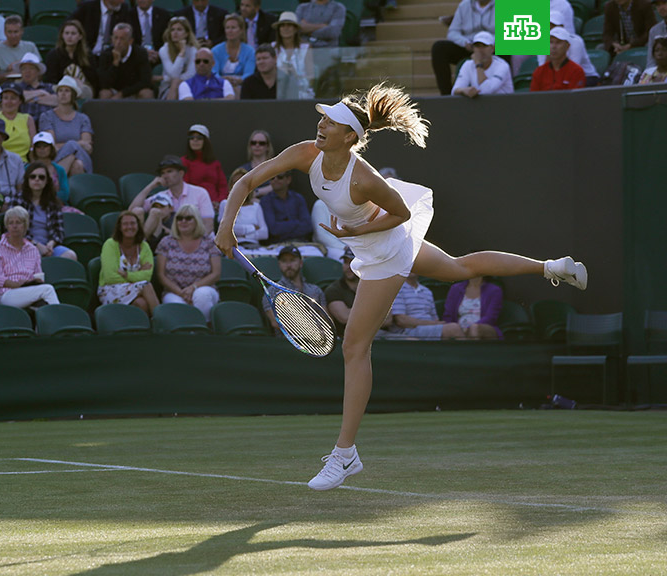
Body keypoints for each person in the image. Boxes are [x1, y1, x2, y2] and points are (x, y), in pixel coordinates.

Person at [215, 83, 587, 491]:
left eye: (330, 121)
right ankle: (550, 266)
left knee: (355, 346)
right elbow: (246, 182)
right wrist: (226, 226)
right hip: (376, 245)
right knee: (460, 268)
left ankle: (345, 455)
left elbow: (401, 212)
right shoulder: (307, 152)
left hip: (385, 252)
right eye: (321, 118)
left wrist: (356, 228)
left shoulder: (365, 178)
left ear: (350, 136)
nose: (320, 124)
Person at [155, 204, 221, 321]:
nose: (183, 221)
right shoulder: (166, 242)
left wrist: (193, 288)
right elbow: (161, 275)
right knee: (177, 306)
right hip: (174, 292)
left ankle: (204, 329)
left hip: (204, 289)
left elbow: (216, 274)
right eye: (179, 218)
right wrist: (181, 293)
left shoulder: (209, 242)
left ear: (197, 221)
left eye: (188, 218)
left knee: (201, 295)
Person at [130, 154, 214, 242]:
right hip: (173, 244)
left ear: (181, 173)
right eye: (162, 173)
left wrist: (193, 243)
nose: (165, 176)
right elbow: (132, 210)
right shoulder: (161, 196)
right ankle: (138, 246)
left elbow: (208, 225)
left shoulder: (200, 192)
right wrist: (151, 186)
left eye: (169, 171)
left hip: (201, 242)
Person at [0, 205, 60, 308]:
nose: (14, 226)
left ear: (25, 225)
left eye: (18, 222)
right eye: (11, 223)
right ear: (7, 226)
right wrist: (18, 284)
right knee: (48, 290)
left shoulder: (33, 250)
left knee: (43, 303)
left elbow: (38, 275)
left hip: (29, 291)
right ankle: (61, 320)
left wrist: (35, 281)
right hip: (6, 294)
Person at [98, 210, 159, 315]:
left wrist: (126, 274)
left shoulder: (144, 246)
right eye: (125, 224)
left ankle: (142, 330)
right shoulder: (110, 244)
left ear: (138, 226)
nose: (129, 227)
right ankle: (161, 322)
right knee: (146, 286)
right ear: (120, 227)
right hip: (110, 289)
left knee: (141, 303)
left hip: (135, 289)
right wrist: (137, 274)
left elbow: (147, 275)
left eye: (133, 223)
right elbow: (110, 277)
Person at [15, 160, 76, 261]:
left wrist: (51, 244)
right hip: (24, 245)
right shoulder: (18, 200)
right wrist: (36, 244)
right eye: (33, 176)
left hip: (49, 246)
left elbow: (59, 231)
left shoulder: (53, 202)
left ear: (47, 181)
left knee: (70, 256)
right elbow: (14, 229)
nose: (37, 179)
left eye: (41, 177)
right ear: (27, 179)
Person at [430, 0, 493, 95]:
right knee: (439, 48)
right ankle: (446, 95)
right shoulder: (464, 5)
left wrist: (489, 44)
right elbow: (452, 32)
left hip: (492, 47)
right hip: (469, 47)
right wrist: (464, 42)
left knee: (508, 46)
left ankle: (508, 90)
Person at [39, 76, 93, 176]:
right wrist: (75, 145)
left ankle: (54, 179)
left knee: (78, 162)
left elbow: (88, 147)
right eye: (60, 91)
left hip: (81, 158)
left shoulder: (83, 118)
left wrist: (68, 146)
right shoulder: (47, 116)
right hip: (56, 158)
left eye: (67, 91)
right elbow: (51, 147)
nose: (63, 94)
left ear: (73, 95)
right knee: (75, 161)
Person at [263, 245, 326, 326]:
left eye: (292, 260)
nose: (288, 265)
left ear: (300, 263)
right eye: (284, 261)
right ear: (279, 264)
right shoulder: (272, 291)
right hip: (287, 338)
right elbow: (276, 323)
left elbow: (326, 320)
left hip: (319, 336)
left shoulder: (315, 290)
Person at [532, 11, 598, 87]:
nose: (550, 29)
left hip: (586, 76)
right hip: (557, 76)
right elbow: (544, 70)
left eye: (553, 26)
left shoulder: (576, 41)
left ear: (562, 26)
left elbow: (573, 69)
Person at [387, 274, 464, 339]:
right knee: (454, 329)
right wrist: (433, 324)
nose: (412, 267)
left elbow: (435, 319)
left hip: (428, 329)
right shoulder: (396, 289)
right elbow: (401, 321)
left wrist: (435, 324)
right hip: (407, 331)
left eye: (415, 264)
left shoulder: (427, 291)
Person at [44, 19, 100, 99]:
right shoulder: (53, 55)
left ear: (80, 36)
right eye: (67, 33)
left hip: (83, 88)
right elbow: (50, 79)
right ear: (62, 35)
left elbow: (93, 79)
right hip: (61, 89)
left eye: (73, 33)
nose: (69, 36)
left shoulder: (87, 55)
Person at [98, 23, 155, 99]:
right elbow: (103, 83)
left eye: (122, 39)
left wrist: (122, 94)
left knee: (147, 93)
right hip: (114, 91)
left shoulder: (140, 53)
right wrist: (115, 64)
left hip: (134, 90)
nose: (118, 42)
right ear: (112, 39)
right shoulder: (106, 54)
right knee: (104, 93)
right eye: (116, 38)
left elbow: (146, 81)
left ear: (130, 41)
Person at [451, 32, 513, 97]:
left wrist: (478, 64)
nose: (480, 50)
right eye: (477, 46)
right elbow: (454, 90)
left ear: (493, 48)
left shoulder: (502, 66)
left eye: (485, 46)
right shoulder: (467, 65)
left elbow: (486, 90)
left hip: (503, 104)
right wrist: (463, 90)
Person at [72, 0, 142, 55]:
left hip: (111, 57)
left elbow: (133, 35)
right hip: (88, 55)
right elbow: (67, 25)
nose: (122, 1)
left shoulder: (124, 9)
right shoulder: (87, 7)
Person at [218, 170, 267, 248]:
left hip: (254, 246)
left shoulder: (256, 206)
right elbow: (226, 230)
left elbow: (264, 233)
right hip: (233, 247)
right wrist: (253, 227)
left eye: (242, 182)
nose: (239, 186)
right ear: (231, 186)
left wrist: (245, 237)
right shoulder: (225, 204)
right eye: (235, 182)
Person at [0, 15, 41, 84]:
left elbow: (40, 72)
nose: (13, 36)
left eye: (16, 32)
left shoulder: (30, 47)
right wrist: (9, 74)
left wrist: (19, 64)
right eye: (10, 32)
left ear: (22, 31)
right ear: (5, 32)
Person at [181, 123, 227, 205]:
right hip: (194, 204)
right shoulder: (184, 161)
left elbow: (222, 186)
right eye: (192, 138)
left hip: (215, 204)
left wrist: (219, 201)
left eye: (199, 138)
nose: (195, 140)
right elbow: (185, 187)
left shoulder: (215, 163)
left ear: (206, 141)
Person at [261, 170, 312, 244]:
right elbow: (273, 229)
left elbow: (308, 226)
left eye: (280, 177)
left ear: (288, 179)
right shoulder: (266, 201)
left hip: (301, 242)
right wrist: (296, 223)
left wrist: (283, 226)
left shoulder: (298, 198)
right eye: (272, 178)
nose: (275, 180)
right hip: (277, 244)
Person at [272, 12, 314, 99]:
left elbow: (311, 77)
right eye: (282, 25)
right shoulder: (272, 47)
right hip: (278, 91)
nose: (286, 28)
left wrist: (296, 75)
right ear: (279, 29)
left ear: (295, 29)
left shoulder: (305, 47)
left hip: (302, 91)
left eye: (289, 25)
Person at [0, 82, 35, 161]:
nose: (9, 102)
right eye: (6, 98)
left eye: (13, 98)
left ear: (20, 101)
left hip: (23, 163)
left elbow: (33, 147)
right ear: (1, 101)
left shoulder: (28, 119)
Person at [158, 16, 199, 100]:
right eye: (172, 30)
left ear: (187, 33)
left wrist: (166, 78)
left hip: (188, 85)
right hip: (168, 88)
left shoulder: (193, 50)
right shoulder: (164, 50)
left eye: (179, 30)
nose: (175, 33)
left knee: (177, 83)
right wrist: (182, 53)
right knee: (175, 83)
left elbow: (191, 75)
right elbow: (173, 74)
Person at [13, 52, 57, 125]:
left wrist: (31, 99)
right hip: (23, 125)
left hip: (47, 125)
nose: (27, 71)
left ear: (38, 71)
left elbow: (57, 100)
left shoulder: (49, 87)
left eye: (31, 68)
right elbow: (15, 98)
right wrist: (40, 92)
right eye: (24, 69)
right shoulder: (16, 87)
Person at [26, 131, 70, 203]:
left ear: (51, 148)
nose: (42, 149)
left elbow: (65, 195)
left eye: (45, 146)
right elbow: (24, 191)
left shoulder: (60, 170)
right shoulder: (27, 169)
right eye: (38, 146)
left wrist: (44, 197)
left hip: (57, 206)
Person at [324, 247, 358, 332]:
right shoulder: (333, 289)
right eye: (346, 262)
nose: (348, 267)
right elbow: (345, 318)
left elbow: (388, 319)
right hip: (348, 337)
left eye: (352, 262)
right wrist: (376, 313)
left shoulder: (370, 285)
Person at [236, 128, 274, 197]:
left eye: (261, 143)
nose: (257, 145)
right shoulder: (243, 170)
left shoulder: (275, 166)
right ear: (250, 146)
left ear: (268, 146)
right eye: (253, 143)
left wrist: (256, 192)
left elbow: (279, 186)